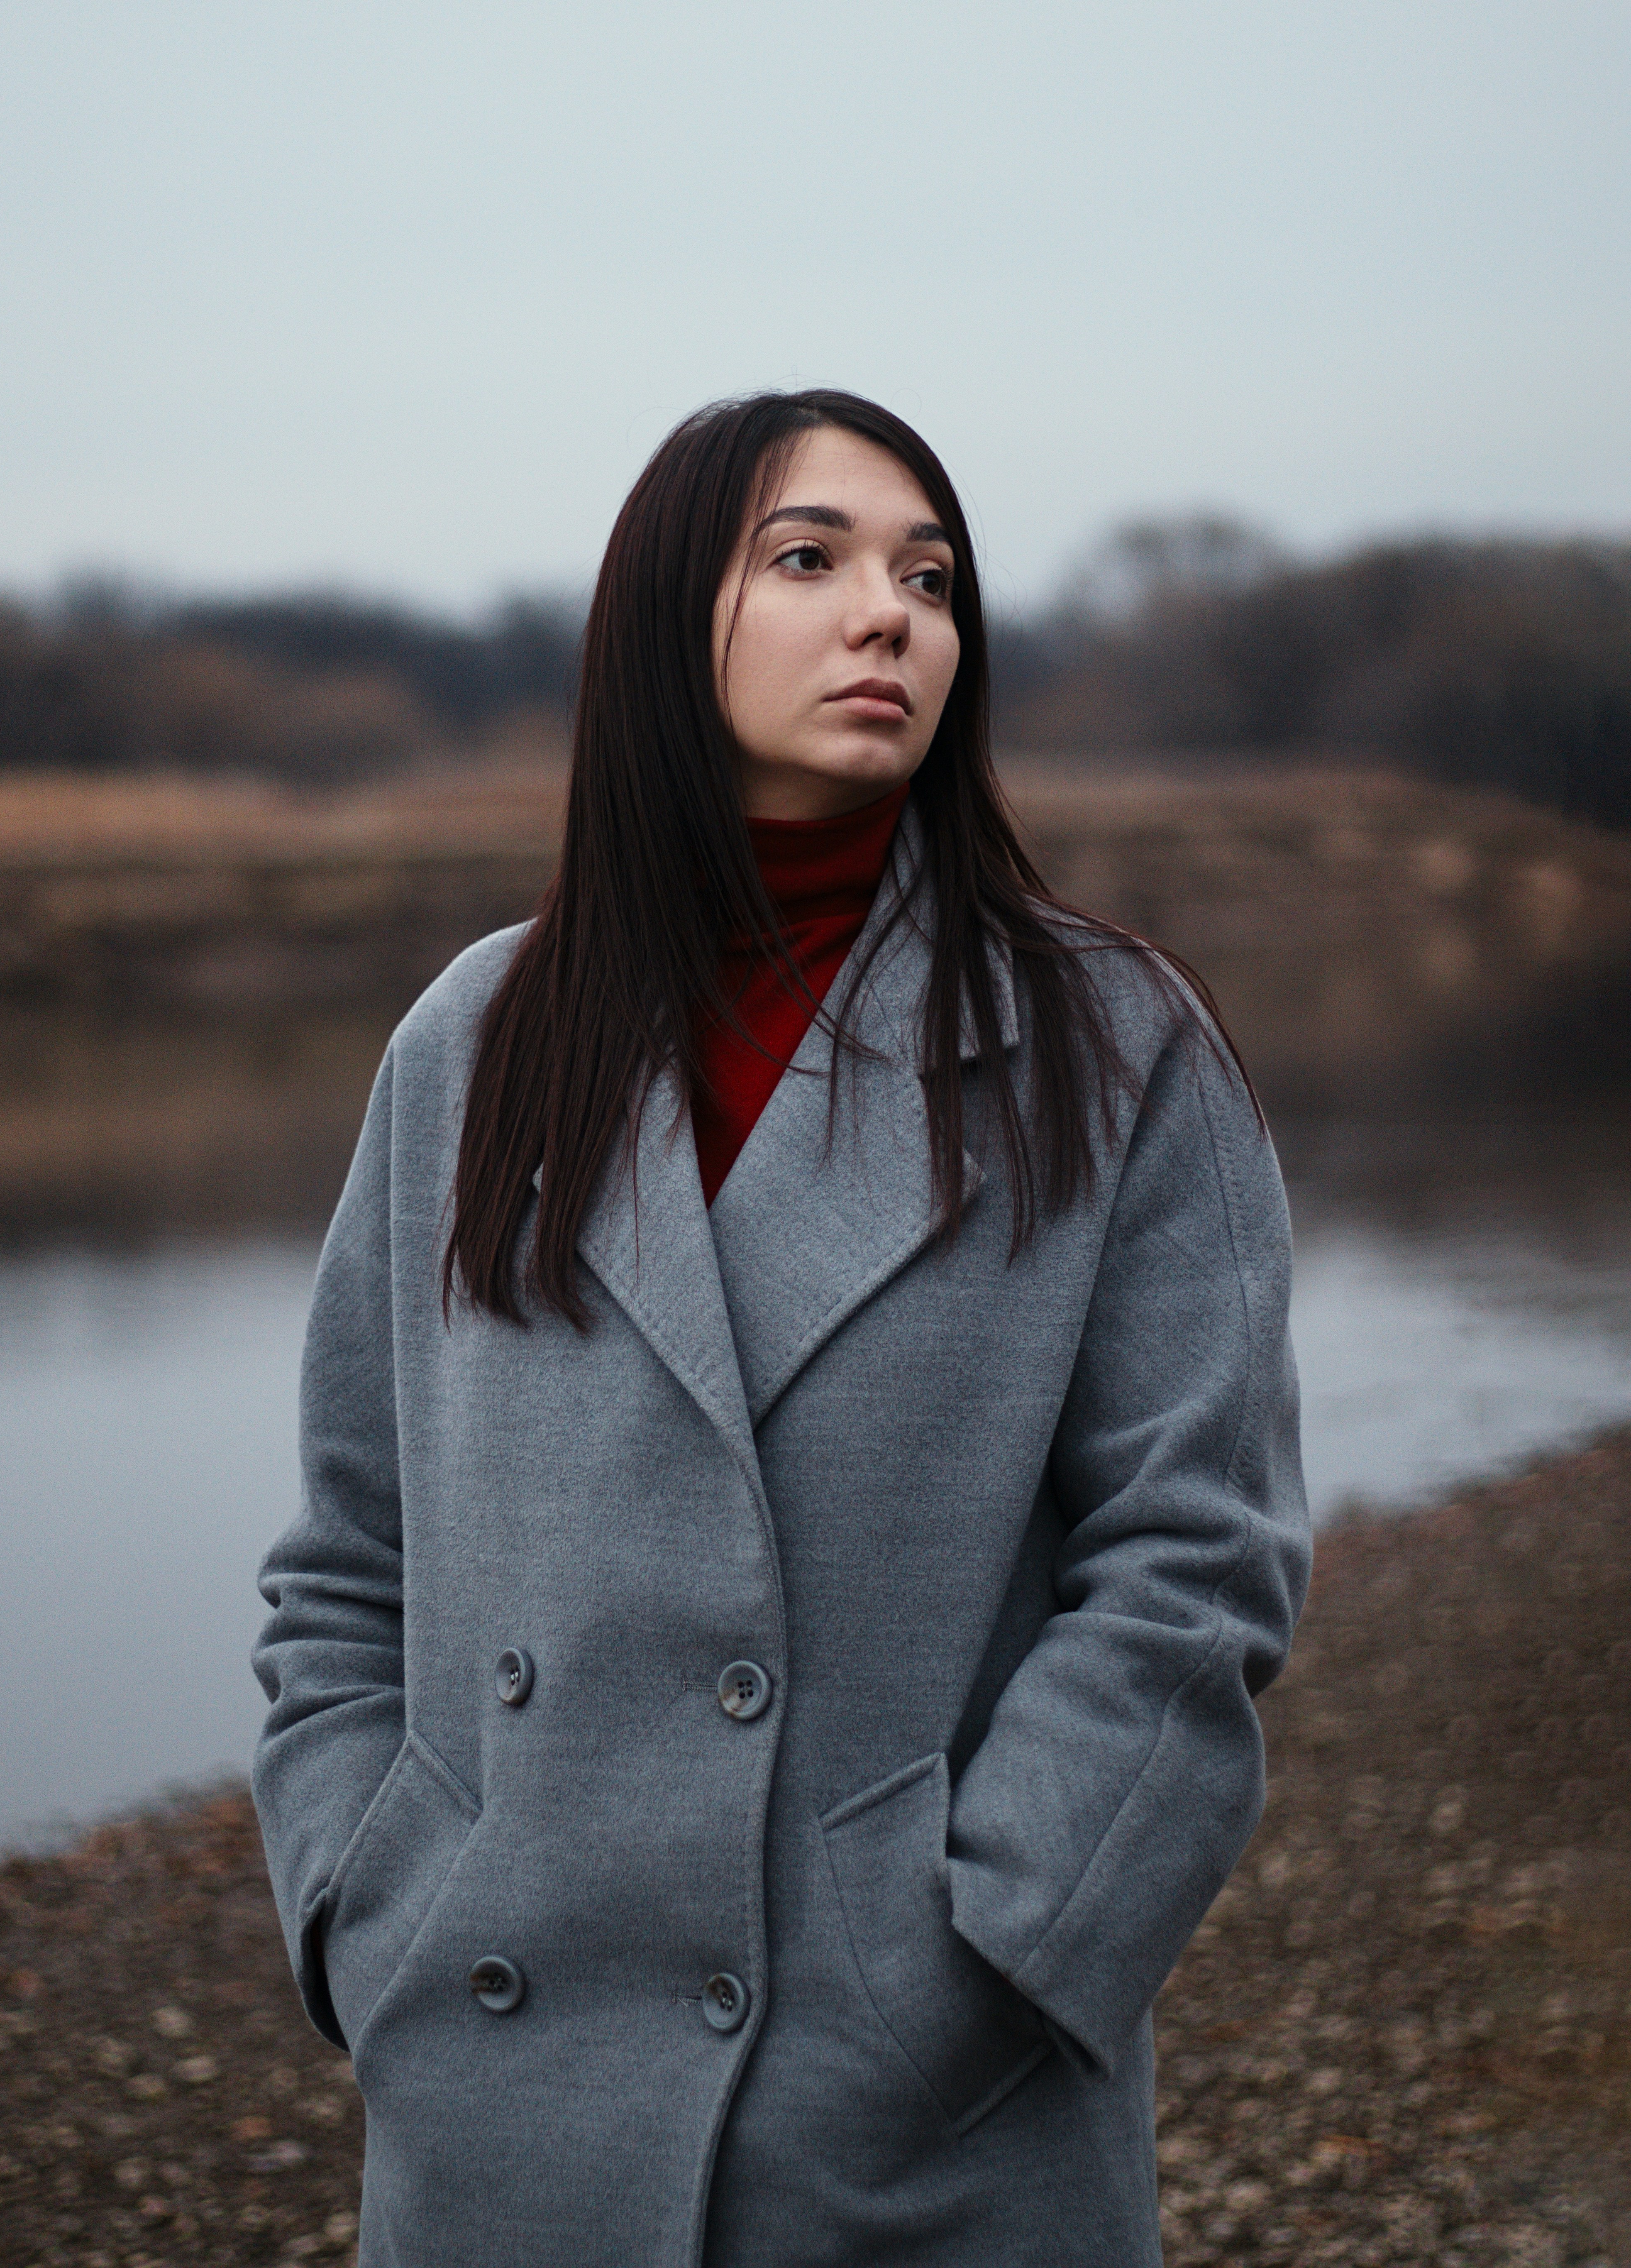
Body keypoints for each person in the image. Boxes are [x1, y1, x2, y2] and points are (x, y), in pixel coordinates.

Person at [251, 389, 1310, 2267]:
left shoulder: (1110, 1042)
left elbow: (1195, 1572)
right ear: (669, 621)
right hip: (501, 2102)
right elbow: (347, 1560)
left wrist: (984, 1961)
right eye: (808, 559)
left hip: (918, 2123)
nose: (886, 613)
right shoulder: (474, 1042)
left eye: (927, 574)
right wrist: (367, 1910)